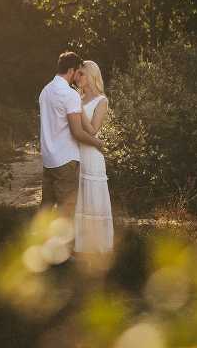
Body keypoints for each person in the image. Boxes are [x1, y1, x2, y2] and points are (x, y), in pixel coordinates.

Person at [38, 52, 103, 219]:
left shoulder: (45, 91)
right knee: (66, 211)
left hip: (48, 159)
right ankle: (65, 246)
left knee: (45, 209)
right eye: (78, 72)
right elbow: (77, 132)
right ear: (71, 70)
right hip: (65, 160)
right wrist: (97, 143)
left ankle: (36, 241)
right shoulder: (70, 94)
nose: (78, 76)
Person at [73, 60, 113, 254]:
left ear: (90, 76)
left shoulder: (101, 100)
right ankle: (79, 246)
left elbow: (94, 129)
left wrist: (78, 107)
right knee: (79, 199)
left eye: (81, 74)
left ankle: (97, 248)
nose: (77, 77)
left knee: (93, 201)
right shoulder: (77, 97)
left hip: (91, 155)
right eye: (78, 74)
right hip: (76, 152)